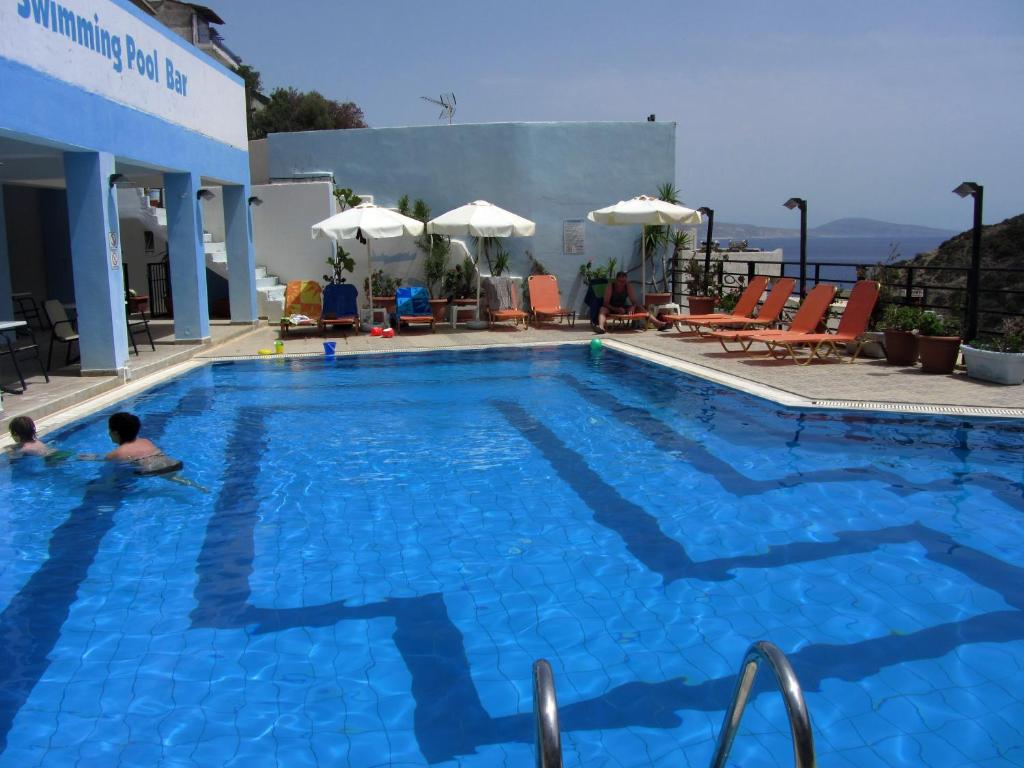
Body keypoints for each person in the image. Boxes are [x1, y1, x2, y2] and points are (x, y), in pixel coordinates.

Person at [82, 411, 207, 491]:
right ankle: (197, 486)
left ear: (115, 433)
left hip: (151, 471)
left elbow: (101, 458)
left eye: (109, 430)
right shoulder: (145, 441)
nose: (108, 434)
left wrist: (81, 458)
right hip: (174, 464)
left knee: (114, 478)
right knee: (174, 478)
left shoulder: (119, 453)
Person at [594, 271, 672, 334]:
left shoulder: (628, 286)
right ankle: (601, 327)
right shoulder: (610, 286)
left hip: (623, 307)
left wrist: (633, 306)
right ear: (616, 280)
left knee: (640, 307)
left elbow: (634, 301)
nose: (622, 283)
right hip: (611, 307)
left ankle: (658, 324)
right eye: (620, 281)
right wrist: (616, 309)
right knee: (602, 309)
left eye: (624, 281)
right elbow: (605, 303)